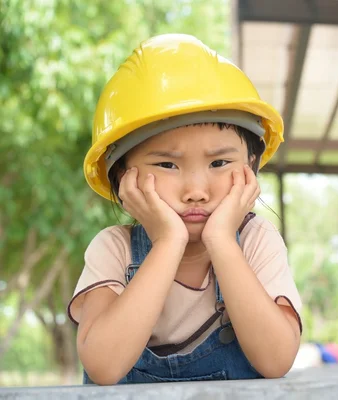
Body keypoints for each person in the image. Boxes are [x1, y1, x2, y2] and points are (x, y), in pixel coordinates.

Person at [67, 34, 303, 385]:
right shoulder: (113, 249)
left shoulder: (256, 241)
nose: (196, 191)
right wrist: (168, 242)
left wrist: (222, 239)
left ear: (251, 168)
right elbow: (103, 366)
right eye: (167, 165)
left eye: (219, 162)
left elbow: (276, 360)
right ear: (121, 178)